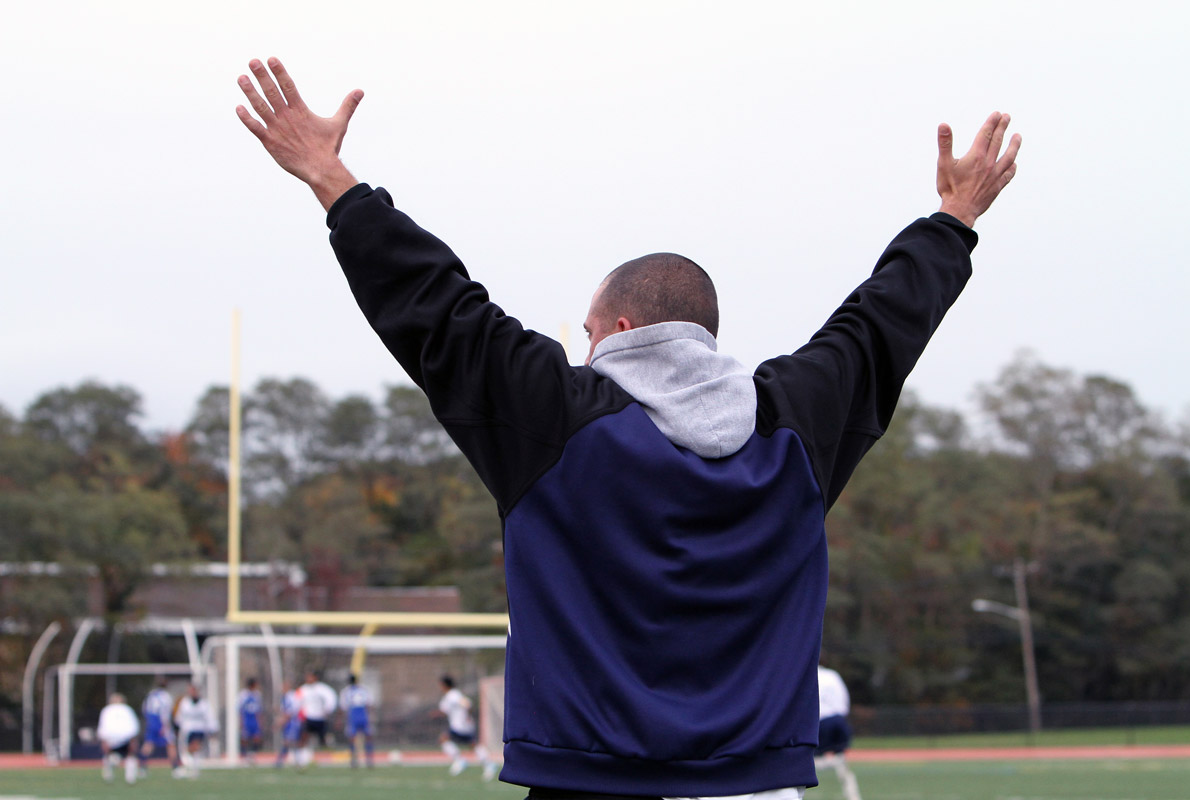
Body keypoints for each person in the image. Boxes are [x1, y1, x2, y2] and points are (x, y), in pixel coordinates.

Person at [236, 57, 1019, 799]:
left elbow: (438, 310)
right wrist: (955, 217)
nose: (580, 350)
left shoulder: (560, 422)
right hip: (751, 779)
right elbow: (882, 325)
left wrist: (331, 180)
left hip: (587, 779)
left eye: (584, 334)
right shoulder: (793, 429)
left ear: (615, 327)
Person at [436, 675, 498, 780]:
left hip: (460, 725)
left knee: (443, 739)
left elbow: (467, 704)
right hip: (461, 725)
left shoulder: (453, 695)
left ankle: (460, 760)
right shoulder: (449, 696)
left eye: (440, 685)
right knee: (472, 744)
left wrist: (467, 717)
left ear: (445, 685)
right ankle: (489, 764)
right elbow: (446, 710)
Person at [815, 665, 861, 800]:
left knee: (810, 758)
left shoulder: (805, 673)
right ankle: (852, 794)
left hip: (820, 721)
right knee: (840, 758)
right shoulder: (833, 675)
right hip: (839, 721)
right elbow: (844, 699)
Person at [173, 684, 217, 779]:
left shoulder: (204, 704)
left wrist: (213, 729)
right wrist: (177, 727)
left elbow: (210, 717)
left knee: (194, 748)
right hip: (187, 731)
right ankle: (192, 768)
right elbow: (179, 717)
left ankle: (191, 768)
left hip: (199, 730)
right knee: (189, 751)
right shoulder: (185, 702)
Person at [296, 671, 338, 768]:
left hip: (320, 718)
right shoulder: (303, 689)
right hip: (308, 718)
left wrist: (328, 710)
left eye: (310, 677)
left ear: (315, 678)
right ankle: (301, 761)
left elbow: (331, 699)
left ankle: (328, 760)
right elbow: (297, 701)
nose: (308, 679)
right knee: (304, 738)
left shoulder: (322, 689)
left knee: (324, 740)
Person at [97, 693, 140, 785]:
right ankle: (130, 777)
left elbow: (102, 727)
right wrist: (133, 740)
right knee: (130, 755)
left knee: (108, 755)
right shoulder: (128, 709)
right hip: (126, 737)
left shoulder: (106, 710)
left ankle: (109, 771)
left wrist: (104, 741)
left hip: (110, 738)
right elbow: (134, 727)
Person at [139, 677, 178, 775]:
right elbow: (165, 712)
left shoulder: (151, 695)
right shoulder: (166, 696)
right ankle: (175, 768)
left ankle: (142, 767)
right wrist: (165, 725)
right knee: (171, 743)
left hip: (151, 720)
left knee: (149, 743)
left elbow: (144, 708)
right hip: (161, 721)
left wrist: (149, 721)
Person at [339, 674, 375, 768]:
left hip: (354, 716)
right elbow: (370, 705)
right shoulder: (364, 689)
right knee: (366, 737)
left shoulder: (346, 691)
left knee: (354, 738)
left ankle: (357, 759)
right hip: (362, 715)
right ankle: (367, 759)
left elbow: (343, 707)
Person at [273, 678, 304, 768]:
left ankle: (295, 761)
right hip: (288, 723)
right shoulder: (285, 697)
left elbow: (291, 712)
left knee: (290, 742)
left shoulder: (291, 696)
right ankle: (290, 761)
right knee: (289, 742)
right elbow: (285, 711)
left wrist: (280, 722)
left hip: (292, 723)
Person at [238, 677, 264, 764]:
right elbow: (240, 709)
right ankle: (244, 756)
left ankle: (252, 755)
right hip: (246, 720)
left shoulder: (257, 695)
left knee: (256, 738)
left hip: (254, 720)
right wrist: (240, 721)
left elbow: (259, 709)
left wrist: (260, 721)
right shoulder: (243, 695)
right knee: (245, 738)